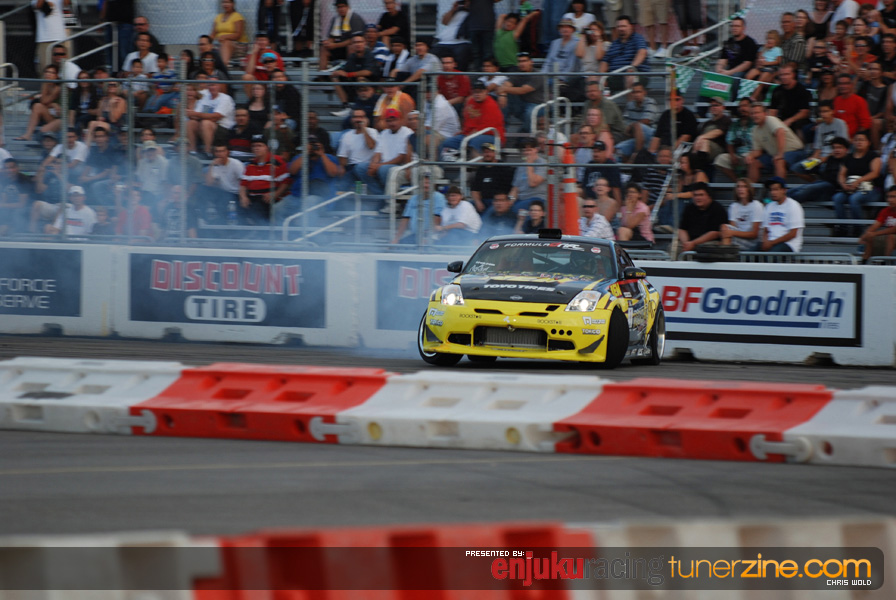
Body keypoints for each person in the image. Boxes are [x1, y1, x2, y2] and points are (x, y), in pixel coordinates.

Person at [282, 135, 344, 222]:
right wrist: (305, 153)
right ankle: (279, 230)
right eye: (309, 144)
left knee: (309, 201)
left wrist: (321, 154)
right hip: (298, 196)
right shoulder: (299, 158)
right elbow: (292, 171)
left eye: (315, 144)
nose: (312, 147)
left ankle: (305, 229)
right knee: (278, 208)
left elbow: (333, 173)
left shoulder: (329, 158)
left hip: (321, 199)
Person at [355, 108, 412, 196]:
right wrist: (373, 165)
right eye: (389, 121)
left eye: (395, 120)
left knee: (383, 170)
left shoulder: (407, 132)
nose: (392, 123)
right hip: (384, 165)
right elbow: (378, 153)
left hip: (401, 167)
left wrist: (378, 166)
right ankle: (379, 194)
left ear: (401, 120)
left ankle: (388, 196)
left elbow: (401, 158)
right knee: (360, 168)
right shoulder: (384, 133)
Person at [744, 102, 806, 182]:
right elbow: (758, 151)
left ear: (765, 113)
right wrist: (750, 155)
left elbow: (780, 132)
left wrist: (780, 154)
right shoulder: (755, 130)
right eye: (752, 113)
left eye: (757, 113)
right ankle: (750, 188)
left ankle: (779, 187)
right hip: (774, 155)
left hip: (795, 151)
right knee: (754, 163)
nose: (754, 116)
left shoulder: (770, 119)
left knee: (778, 161)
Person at [833, 131, 881, 235]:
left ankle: (858, 228)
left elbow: (875, 173)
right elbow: (841, 174)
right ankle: (843, 228)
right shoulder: (848, 157)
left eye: (862, 140)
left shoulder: (873, 155)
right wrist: (843, 184)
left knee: (854, 199)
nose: (859, 142)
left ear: (868, 142)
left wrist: (858, 181)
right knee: (837, 198)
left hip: (870, 189)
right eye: (856, 140)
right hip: (851, 187)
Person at [440, 81, 506, 155]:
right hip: (470, 134)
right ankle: (444, 162)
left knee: (474, 141)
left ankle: (476, 162)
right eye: (475, 92)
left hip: (492, 136)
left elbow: (486, 127)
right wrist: (463, 132)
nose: (477, 94)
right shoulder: (470, 102)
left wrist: (469, 136)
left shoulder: (490, 105)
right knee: (448, 142)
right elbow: (468, 121)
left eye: (480, 92)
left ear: (486, 92)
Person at [790, 100, 848, 181]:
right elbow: (818, 149)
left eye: (826, 111)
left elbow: (843, 147)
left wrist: (825, 158)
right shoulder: (820, 127)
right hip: (820, 158)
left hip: (834, 158)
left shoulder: (840, 124)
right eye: (821, 112)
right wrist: (813, 158)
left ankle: (820, 184)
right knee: (796, 168)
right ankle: (816, 183)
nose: (823, 114)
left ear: (832, 111)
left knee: (823, 168)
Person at [239, 134, 290, 223]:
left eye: (259, 146)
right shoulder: (250, 165)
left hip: (270, 200)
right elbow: (243, 185)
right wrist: (243, 197)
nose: (256, 148)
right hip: (253, 199)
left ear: (267, 147)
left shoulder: (277, 161)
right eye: (254, 146)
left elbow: (286, 182)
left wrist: (275, 194)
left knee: (257, 208)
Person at [790, 136, 850, 205]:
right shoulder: (830, 158)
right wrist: (820, 160)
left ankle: (788, 205)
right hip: (821, 182)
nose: (836, 150)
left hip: (831, 187)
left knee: (805, 190)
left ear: (846, 149)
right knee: (791, 191)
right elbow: (799, 168)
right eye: (834, 148)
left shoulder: (849, 160)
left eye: (839, 148)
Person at [330, 34, 379, 114]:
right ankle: (346, 106)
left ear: (365, 43)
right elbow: (346, 70)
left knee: (361, 78)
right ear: (352, 45)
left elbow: (368, 72)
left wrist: (348, 74)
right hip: (355, 84)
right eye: (355, 42)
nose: (358, 44)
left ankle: (362, 106)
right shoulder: (352, 56)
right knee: (335, 77)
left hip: (372, 85)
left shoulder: (369, 55)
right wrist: (339, 72)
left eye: (360, 42)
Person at [391, 172, 445, 244]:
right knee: (396, 246)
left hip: (432, 237)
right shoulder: (413, 199)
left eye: (429, 183)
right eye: (424, 183)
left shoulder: (439, 197)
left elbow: (437, 220)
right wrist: (396, 238)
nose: (426, 185)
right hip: (415, 236)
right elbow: (405, 219)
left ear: (433, 184)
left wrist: (427, 238)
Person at [187, 78, 236, 156]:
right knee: (191, 123)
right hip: (206, 126)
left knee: (205, 123)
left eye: (214, 85)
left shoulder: (225, 98)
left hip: (223, 128)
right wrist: (190, 113)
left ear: (219, 86)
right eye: (210, 85)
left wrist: (196, 114)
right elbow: (196, 115)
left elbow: (216, 117)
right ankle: (192, 150)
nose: (212, 87)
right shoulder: (205, 98)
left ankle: (208, 151)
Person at [600, 16, 650, 91]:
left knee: (630, 77)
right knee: (593, 79)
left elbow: (642, 52)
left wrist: (632, 67)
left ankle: (629, 99)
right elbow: (605, 61)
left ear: (631, 27)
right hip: (615, 76)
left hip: (636, 75)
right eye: (618, 26)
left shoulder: (638, 38)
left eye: (624, 26)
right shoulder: (614, 44)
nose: (621, 29)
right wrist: (601, 76)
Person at [676, 182, 729, 254]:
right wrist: (686, 243)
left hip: (710, 242)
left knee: (706, 248)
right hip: (690, 241)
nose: (698, 198)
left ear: (709, 196)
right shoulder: (689, 208)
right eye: (695, 195)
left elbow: (715, 233)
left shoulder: (717, 209)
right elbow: (682, 229)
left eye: (701, 195)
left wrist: (693, 243)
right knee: (674, 247)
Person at [499, 52, 545, 132]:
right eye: (519, 61)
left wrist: (503, 89)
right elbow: (505, 85)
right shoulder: (517, 73)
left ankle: (525, 134)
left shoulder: (538, 75)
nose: (521, 64)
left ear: (531, 62)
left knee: (529, 113)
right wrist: (502, 95)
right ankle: (501, 129)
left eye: (524, 61)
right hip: (522, 103)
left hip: (538, 104)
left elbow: (523, 90)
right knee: (503, 100)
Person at [756, 176, 804, 252]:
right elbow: (765, 230)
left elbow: (793, 234)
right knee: (748, 254)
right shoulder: (769, 206)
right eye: (771, 190)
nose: (773, 192)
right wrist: (765, 242)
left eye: (776, 189)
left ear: (784, 190)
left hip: (788, 244)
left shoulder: (793, 206)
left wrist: (771, 243)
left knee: (771, 255)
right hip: (770, 242)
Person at [15, 64, 61, 141]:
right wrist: (52, 104)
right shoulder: (46, 84)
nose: (48, 74)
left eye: (52, 73)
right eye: (47, 72)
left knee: (38, 106)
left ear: (56, 76)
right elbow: (43, 101)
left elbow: (44, 101)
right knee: (37, 106)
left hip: (59, 119)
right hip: (50, 114)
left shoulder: (57, 88)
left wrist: (45, 85)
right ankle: (28, 135)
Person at [714, 98, 755, 182]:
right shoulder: (735, 125)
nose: (742, 108)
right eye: (740, 106)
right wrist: (732, 155)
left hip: (753, 155)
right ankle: (737, 182)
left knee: (750, 159)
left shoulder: (756, 123)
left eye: (745, 106)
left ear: (751, 107)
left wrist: (752, 154)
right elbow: (729, 141)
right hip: (738, 155)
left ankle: (748, 185)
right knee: (720, 159)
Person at [201, 143, 245, 220]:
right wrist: (211, 165)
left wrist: (243, 197)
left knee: (223, 199)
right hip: (223, 193)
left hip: (236, 194)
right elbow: (209, 183)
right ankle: (204, 218)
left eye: (222, 151)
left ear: (227, 152)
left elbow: (243, 182)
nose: (219, 154)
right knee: (202, 189)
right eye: (217, 151)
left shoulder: (236, 164)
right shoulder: (215, 165)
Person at [767, 65, 812, 138]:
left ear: (793, 75)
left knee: (799, 124)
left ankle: (799, 145)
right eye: (781, 75)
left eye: (787, 74)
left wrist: (789, 121)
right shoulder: (777, 90)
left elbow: (805, 112)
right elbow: (772, 111)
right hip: (782, 119)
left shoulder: (801, 90)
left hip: (797, 120)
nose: (784, 77)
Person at [338, 108, 379, 189]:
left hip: (367, 166)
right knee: (341, 186)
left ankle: (379, 195)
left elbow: (371, 146)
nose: (358, 120)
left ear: (366, 119)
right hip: (352, 167)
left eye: (361, 117)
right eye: (355, 117)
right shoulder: (347, 135)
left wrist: (363, 128)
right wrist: (342, 169)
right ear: (351, 119)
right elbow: (343, 158)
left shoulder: (373, 132)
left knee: (359, 169)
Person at [79, 128, 121, 204]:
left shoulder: (113, 150)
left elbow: (108, 172)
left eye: (101, 136)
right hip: (95, 177)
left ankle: (103, 208)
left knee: (96, 185)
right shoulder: (93, 150)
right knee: (78, 184)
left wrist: (88, 179)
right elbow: (88, 167)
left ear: (107, 138)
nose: (99, 139)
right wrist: (82, 177)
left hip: (108, 179)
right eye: (97, 137)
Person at [319, 0, 365, 70]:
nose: (341, 9)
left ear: (348, 7)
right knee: (324, 48)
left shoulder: (355, 18)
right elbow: (332, 37)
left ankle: (350, 72)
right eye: (338, 7)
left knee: (352, 47)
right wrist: (328, 43)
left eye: (343, 7)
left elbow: (354, 39)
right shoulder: (335, 19)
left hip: (352, 47)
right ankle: (322, 74)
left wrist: (335, 45)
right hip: (339, 47)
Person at [618, 82, 659, 160]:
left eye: (639, 92)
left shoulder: (650, 102)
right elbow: (625, 124)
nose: (636, 94)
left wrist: (631, 126)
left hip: (651, 135)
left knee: (637, 125)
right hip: (634, 135)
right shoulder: (630, 105)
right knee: (619, 149)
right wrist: (630, 128)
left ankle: (637, 155)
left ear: (644, 92)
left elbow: (647, 121)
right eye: (634, 92)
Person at [469, 142, 513, 212]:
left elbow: (511, 189)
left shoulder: (504, 168)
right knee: (468, 205)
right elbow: (475, 189)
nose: (487, 154)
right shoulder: (480, 170)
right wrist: (478, 202)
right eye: (485, 152)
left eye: (489, 152)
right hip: (483, 201)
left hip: (498, 201)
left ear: (495, 153)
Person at [542, 19, 580, 98]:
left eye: (568, 27)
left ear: (573, 30)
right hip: (550, 75)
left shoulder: (577, 43)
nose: (565, 29)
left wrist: (561, 78)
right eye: (562, 27)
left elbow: (572, 66)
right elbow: (548, 61)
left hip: (567, 77)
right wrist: (542, 74)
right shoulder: (555, 42)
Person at [691, 96, 731, 170]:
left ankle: (700, 170)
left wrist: (701, 137)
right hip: (704, 148)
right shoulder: (706, 123)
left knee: (704, 142)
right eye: (711, 105)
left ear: (723, 107)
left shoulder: (726, 119)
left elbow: (719, 132)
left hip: (719, 148)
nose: (713, 107)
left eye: (716, 105)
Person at [508, 138, 547, 212]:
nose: (527, 153)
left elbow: (533, 183)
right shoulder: (521, 166)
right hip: (521, 199)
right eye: (524, 150)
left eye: (529, 150)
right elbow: (515, 189)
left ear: (536, 149)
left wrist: (529, 164)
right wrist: (510, 201)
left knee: (515, 210)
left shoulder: (543, 164)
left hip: (537, 199)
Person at [859, 185, 896, 261]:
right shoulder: (886, 211)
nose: (890, 200)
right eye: (888, 197)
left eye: (893, 197)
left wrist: (875, 233)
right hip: (889, 238)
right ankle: (865, 261)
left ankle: (887, 262)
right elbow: (876, 225)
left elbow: (894, 229)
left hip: (891, 238)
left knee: (891, 237)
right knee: (869, 236)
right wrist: (865, 235)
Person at [433, 0, 472, 70]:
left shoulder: (474, 13)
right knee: (434, 57)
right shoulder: (456, 12)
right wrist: (453, 9)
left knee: (461, 58)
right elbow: (444, 22)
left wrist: (469, 7)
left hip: (461, 41)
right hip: (444, 41)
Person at [0, 158, 32, 235]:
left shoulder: (23, 180)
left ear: (17, 168)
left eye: (11, 168)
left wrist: (2, 205)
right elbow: (4, 200)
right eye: (6, 168)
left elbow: (22, 204)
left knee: (18, 213)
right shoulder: (4, 180)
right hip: (10, 209)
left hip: (26, 210)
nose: (9, 170)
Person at [210, 0, 248, 66]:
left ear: (233, 4)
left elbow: (238, 35)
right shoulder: (218, 17)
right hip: (221, 44)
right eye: (224, 2)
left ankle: (224, 66)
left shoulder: (237, 16)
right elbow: (213, 34)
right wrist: (207, 42)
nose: (225, 4)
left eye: (228, 2)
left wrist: (224, 37)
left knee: (226, 42)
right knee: (205, 44)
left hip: (238, 45)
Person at [33, 0, 66, 72]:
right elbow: (38, 5)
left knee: (61, 68)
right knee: (44, 68)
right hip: (44, 39)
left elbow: (66, 4)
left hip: (59, 37)